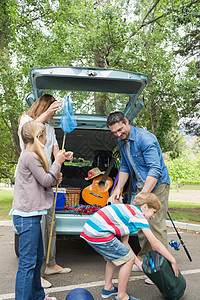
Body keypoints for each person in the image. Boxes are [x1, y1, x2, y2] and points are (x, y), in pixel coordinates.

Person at [107, 111, 170, 283]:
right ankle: (143, 259)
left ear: (127, 122)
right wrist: (118, 189)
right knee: (140, 223)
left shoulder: (145, 139)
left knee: (155, 224)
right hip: (142, 187)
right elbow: (125, 167)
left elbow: (155, 170)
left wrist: (143, 195)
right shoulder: (122, 141)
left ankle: (161, 267)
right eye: (115, 133)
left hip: (157, 185)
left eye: (120, 130)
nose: (119, 134)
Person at [18, 94, 73, 288]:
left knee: (50, 224)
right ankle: (37, 274)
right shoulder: (26, 120)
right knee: (38, 230)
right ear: (45, 107)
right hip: (35, 180)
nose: (54, 115)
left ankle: (50, 264)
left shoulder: (50, 129)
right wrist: (48, 112)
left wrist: (63, 156)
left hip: (48, 179)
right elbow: (28, 130)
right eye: (52, 111)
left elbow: (55, 152)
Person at [80, 192, 178, 300]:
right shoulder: (139, 215)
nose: (153, 216)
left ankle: (108, 289)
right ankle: (122, 296)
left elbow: (125, 243)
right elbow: (154, 242)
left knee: (115, 257)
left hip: (90, 231)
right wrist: (172, 261)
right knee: (128, 260)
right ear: (145, 207)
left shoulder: (128, 212)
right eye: (153, 212)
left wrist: (138, 263)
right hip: (99, 233)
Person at [11, 121, 67, 300]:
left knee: (36, 260)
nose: (47, 139)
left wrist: (56, 175)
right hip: (26, 217)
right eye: (45, 135)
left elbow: (45, 180)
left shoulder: (33, 155)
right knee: (28, 263)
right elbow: (44, 180)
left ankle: (37, 296)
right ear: (39, 136)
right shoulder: (29, 156)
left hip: (32, 216)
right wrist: (57, 163)